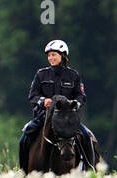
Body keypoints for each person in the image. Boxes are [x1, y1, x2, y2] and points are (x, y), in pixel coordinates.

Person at [19, 39, 97, 169]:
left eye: (54, 54)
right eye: (49, 55)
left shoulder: (74, 75)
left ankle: (90, 168)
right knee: (25, 136)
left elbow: (81, 97)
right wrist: (43, 101)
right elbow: (32, 96)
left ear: (63, 55)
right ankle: (23, 171)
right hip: (44, 117)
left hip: (67, 119)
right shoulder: (41, 74)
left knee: (86, 136)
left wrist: (75, 103)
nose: (51, 58)